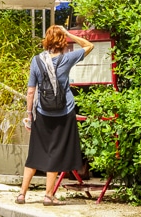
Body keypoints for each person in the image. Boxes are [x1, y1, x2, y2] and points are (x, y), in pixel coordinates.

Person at [15, 25, 94, 206]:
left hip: (42, 113)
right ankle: (48, 196)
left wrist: (29, 116)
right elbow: (89, 46)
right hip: (63, 113)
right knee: (56, 153)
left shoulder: (36, 60)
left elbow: (30, 92)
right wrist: (68, 33)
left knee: (34, 153)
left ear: (47, 40)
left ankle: (21, 194)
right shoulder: (67, 59)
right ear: (62, 41)